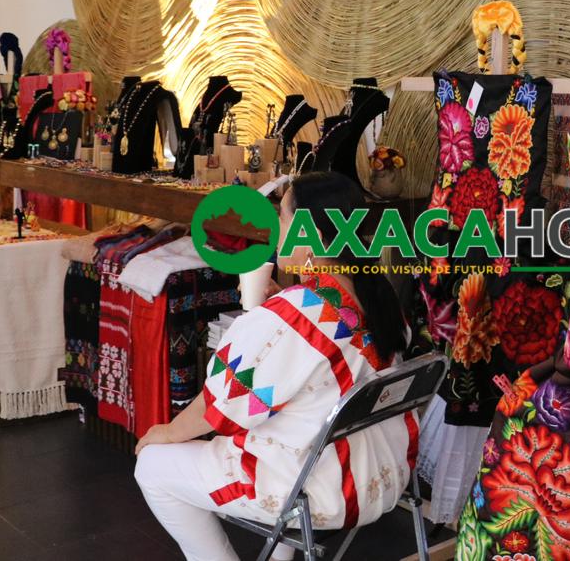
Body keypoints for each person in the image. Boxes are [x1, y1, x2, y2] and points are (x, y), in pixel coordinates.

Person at [134, 172, 416, 561]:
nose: (275, 229)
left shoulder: (297, 314)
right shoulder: (377, 293)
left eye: (282, 217)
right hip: (380, 473)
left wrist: (166, 432)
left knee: (152, 466)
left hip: (319, 488)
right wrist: (283, 305)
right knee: (288, 420)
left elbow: (227, 401)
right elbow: (330, 343)